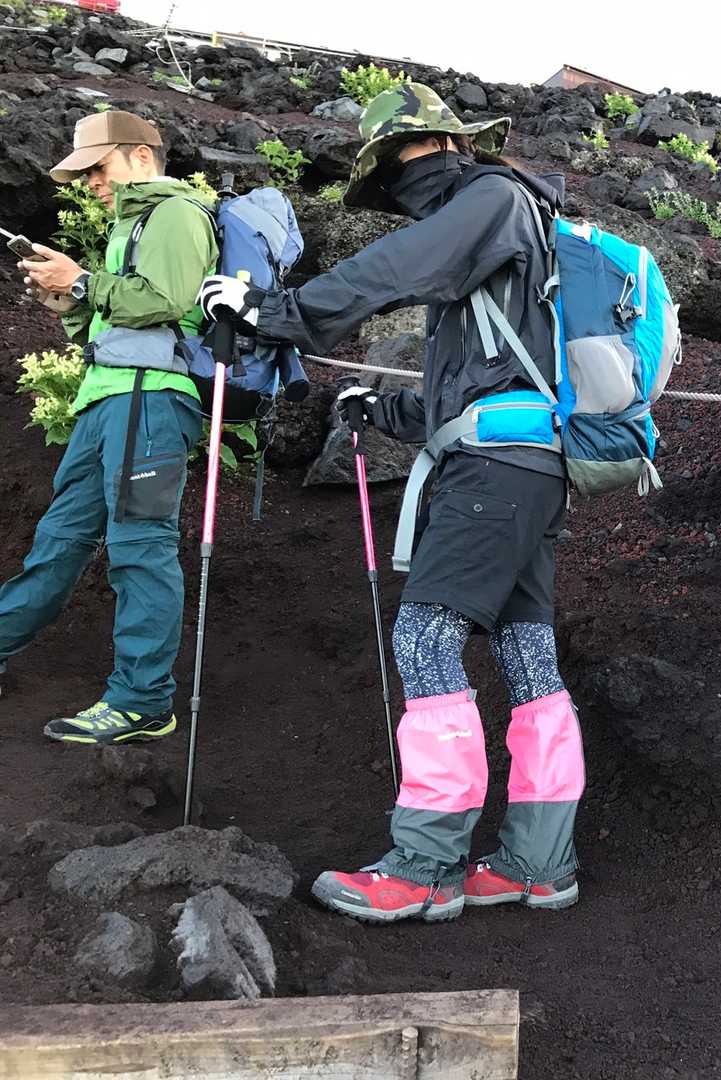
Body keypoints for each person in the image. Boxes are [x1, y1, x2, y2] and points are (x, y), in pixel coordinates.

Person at [199, 82, 584, 923]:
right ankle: (538, 863)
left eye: (399, 159)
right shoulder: (513, 228)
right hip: (527, 462)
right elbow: (485, 380)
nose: (400, 181)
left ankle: (425, 867)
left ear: (438, 146)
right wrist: (385, 409)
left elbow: (399, 266)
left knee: (426, 637)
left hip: (496, 471)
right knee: (526, 657)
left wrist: (275, 311)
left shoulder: (491, 197)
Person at [1, 111, 214, 744]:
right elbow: (116, 325)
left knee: (140, 547)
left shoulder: (176, 212)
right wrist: (70, 301)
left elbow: (168, 302)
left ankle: (143, 702)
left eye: (98, 167)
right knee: (58, 542)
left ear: (140, 156)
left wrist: (83, 281)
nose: (91, 181)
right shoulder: (130, 225)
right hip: (107, 402)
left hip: (150, 402)